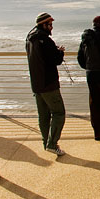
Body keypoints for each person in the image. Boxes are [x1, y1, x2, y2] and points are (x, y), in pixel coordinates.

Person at [26, 12, 67, 156]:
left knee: (43, 116)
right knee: (59, 113)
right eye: (50, 24)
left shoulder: (30, 39)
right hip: (49, 83)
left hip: (36, 84)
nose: (52, 27)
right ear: (44, 25)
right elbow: (55, 60)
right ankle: (52, 144)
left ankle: (46, 143)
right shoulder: (45, 40)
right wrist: (60, 52)